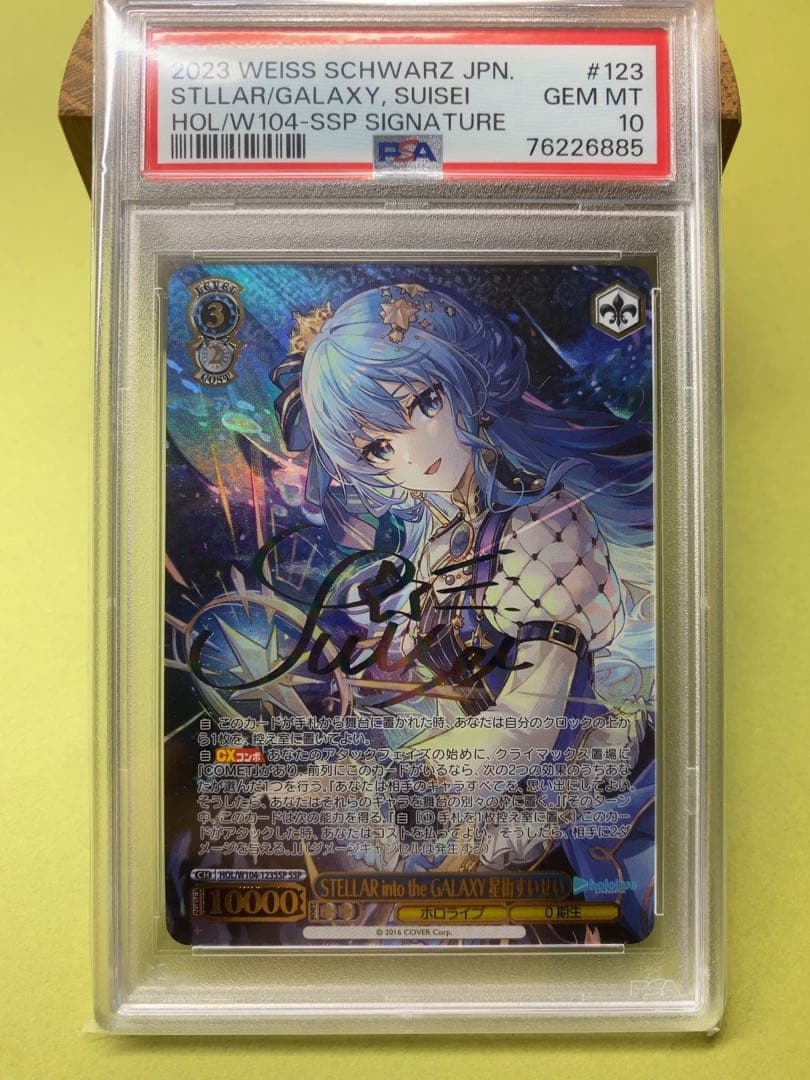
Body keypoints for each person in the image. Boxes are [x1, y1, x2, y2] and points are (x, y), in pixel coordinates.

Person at [271, 281, 656, 939]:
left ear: (463, 381)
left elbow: (533, 719)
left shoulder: (542, 525)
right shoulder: (437, 548)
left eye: (424, 403)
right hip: (492, 799)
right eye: (378, 448)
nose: (413, 452)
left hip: (583, 805)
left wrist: (391, 793)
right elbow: (458, 711)